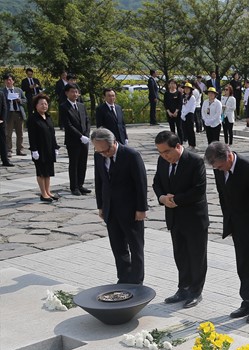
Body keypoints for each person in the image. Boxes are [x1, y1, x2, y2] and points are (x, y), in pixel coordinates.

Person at [205, 141, 249, 323]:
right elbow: (223, 197)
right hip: (237, 226)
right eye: (216, 168)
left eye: (220, 166)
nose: (218, 170)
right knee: (243, 265)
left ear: (228, 157)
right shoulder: (219, 170)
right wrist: (229, 225)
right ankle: (247, 300)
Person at [153, 131, 209, 308]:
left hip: (194, 218)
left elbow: (198, 190)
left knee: (196, 256)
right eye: (160, 152)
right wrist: (162, 198)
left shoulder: (194, 161)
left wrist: (175, 200)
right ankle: (183, 288)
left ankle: (196, 291)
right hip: (174, 217)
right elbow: (157, 182)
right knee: (181, 255)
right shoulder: (162, 160)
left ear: (177, 146)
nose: (164, 156)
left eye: (167, 152)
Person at [92, 128, 148, 284]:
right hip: (110, 208)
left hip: (130, 209)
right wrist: (101, 206)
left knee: (135, 246)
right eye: (99, 151)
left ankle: (136, 280)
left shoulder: (131, 155)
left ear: (114, 142)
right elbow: (99, 181)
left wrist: (141, 208)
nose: (104, 154)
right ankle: (123, 277)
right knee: (118, 246)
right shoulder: (99, 155)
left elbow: (141, 183)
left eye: (106, 150)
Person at [60, 83, 91, 196]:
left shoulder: (81, 105)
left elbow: (87, 120)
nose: (75, 94)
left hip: (84, 139)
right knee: (74, 163)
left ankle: (81, 184)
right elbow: (68, 125)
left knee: (83, 163)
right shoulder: (64, 106)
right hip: (73, 140)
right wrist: (80, 136)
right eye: (72, 91)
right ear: (67, 93)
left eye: (76, 92)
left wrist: (86, 134)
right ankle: (74, 187)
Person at [28, 94, 60, 201]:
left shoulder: (48, 117)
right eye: (41, 104)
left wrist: (55, 147)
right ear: (36, 105)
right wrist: (34, 150)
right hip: (39, 149)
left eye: (46, 104)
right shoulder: (33, 119)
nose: (44, 106)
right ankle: (43, 193)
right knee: (41, 172)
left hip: (49, 148)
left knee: (48, 171)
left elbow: (52, 133)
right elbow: (32, 136)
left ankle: (48, 191)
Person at [3, 74, 27, 159]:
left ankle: (20, 149)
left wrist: (19, 100)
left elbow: (25, 100)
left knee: (20, 133)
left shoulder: (18, 90)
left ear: (13, 81)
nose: (8, 81)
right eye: (6, 80)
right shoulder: (2, 91)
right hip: (8, 114)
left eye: (10, 80)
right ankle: (8, 150)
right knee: (8, 133)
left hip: (18, 113)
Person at [180, 82, 197, 149]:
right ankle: (187, 142)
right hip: (183, 114)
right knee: (185, 129)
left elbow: (190, 107)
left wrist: (184, 114)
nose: (186, 90)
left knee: (190, 130)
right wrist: (182, 114)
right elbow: (182, 106)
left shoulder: (192, 97)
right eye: (185, 88)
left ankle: (192, 144)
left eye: (188, 89)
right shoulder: (183, 96)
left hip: (189, 114)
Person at [0, 82, 9, 167]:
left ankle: (5, 160)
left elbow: (4, 107)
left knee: (3, 142)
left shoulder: (1, 93)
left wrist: (2, 119)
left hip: (1, 122)